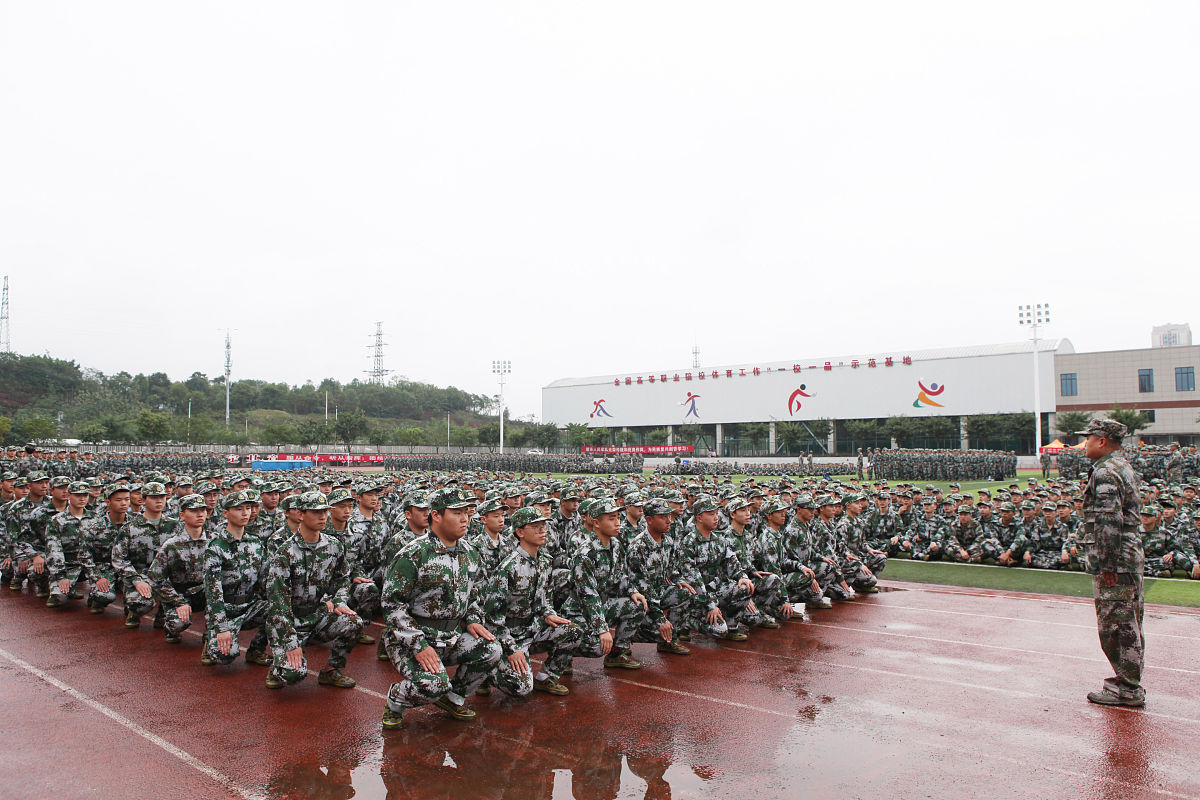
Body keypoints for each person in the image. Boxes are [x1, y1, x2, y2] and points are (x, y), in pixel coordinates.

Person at [379, 488, 501, 730]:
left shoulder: (470, 553)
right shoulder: (414, 554)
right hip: (413, 639)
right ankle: (396, 699)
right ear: (436, 516)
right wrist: (419, 645)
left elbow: (474, 595)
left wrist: (473, 619)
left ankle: (453, 699)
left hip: (452, 636)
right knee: (433, 684)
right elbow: (392, 605)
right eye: (457, 513)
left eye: (466, 512)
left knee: (491, 650)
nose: (465, 518)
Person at [263, 491, 363, 690]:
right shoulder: (285, 552)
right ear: (300, 514)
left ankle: (332, 670)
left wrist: (340, 601)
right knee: (293, 675)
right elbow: (278, 602)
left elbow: (342, 581)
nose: (323, 517)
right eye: (316, 512)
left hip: (317, 615)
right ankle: (279, 665)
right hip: (289, 620)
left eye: (325, 512)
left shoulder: (334, 546)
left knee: (354, 622)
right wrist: (290, 642)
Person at [1076, 419, 1145, 707]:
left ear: (1102, 440)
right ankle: (1127, 681)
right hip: (1126, 557)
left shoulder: (1106, 471)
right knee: (1128, 621)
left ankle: (1128, 688)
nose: (1085, 444)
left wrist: (1107, 564)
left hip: (1116, 561)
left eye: (1089, 438)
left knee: (1117, 625)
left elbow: (1108, 521)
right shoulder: (1121, 466)